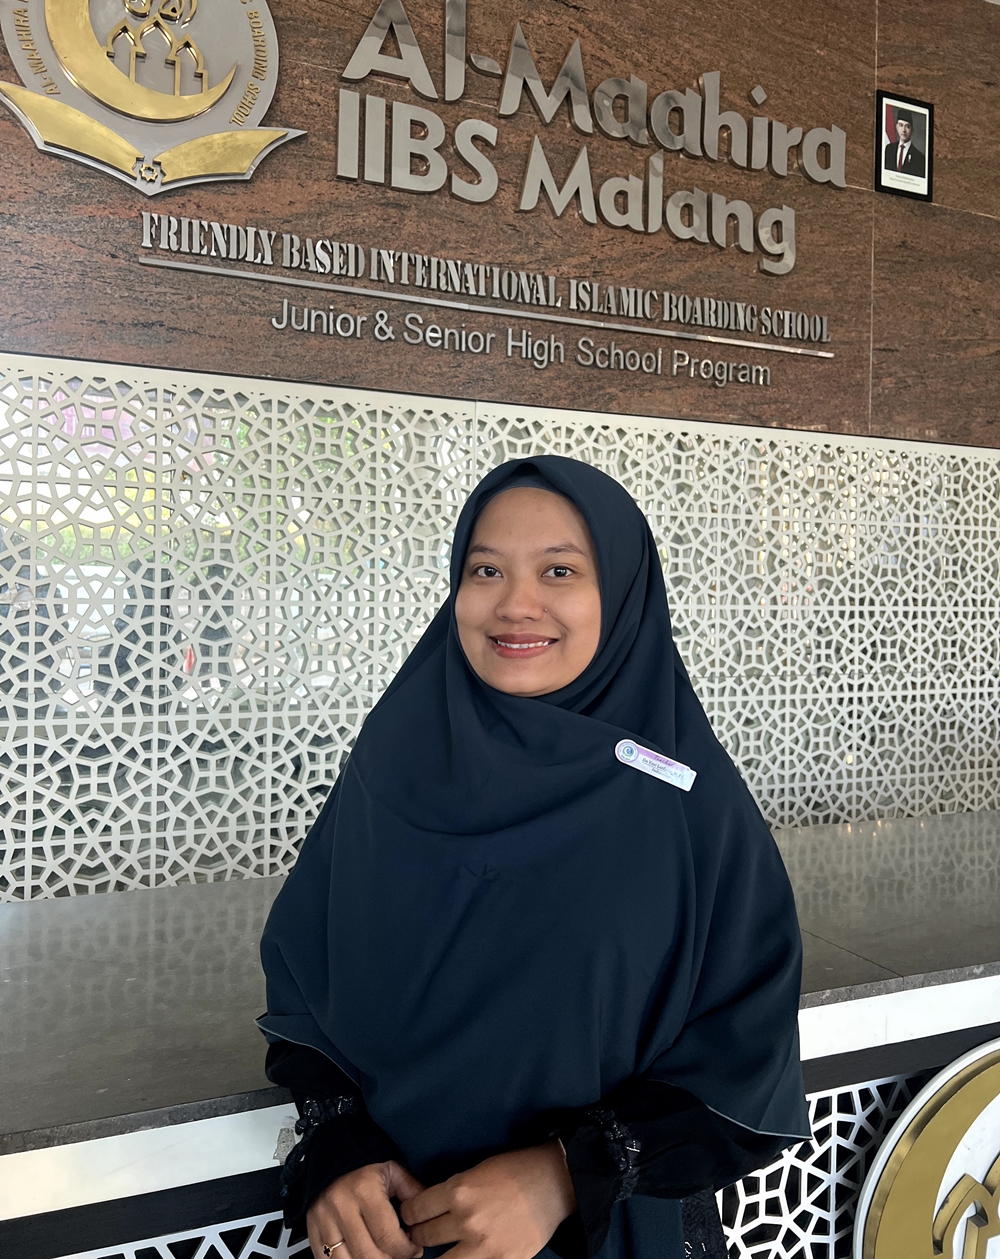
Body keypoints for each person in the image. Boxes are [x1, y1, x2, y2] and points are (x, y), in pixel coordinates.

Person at [258, 456, 810, 1259]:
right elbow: (307, 991)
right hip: (397, 1239)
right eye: (486, 569)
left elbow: (744, 1065)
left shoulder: (685, 805)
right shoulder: (393, 765)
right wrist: (337, 1150)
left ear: (620, 592)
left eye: (559, 570)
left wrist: (562, 1174)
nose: (515, 603)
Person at [884, 107, 926, 176]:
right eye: (901, 125)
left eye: (907, 126)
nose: (903, 130)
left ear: (912, 130)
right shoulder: (889, 149)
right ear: (896, 127)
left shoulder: (919, 157)